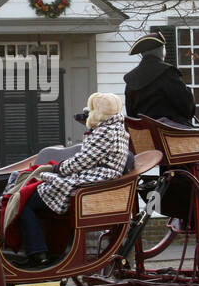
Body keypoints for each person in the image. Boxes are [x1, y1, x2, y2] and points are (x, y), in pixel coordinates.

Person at [14, 93, 130, 269]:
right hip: (95, 177)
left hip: (93, 180)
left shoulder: (106, 131)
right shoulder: (116, 128)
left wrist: (59, 168)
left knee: (25, 201)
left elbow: (84, 160)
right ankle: (47, 247)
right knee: (36, 191)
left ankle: (38, 253)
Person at [123, 33, 198, 125]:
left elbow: (131, 113)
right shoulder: (168, 73)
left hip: (143, 133)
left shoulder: (131, 78)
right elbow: (188, 109)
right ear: (162, 51)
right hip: (171, 131)